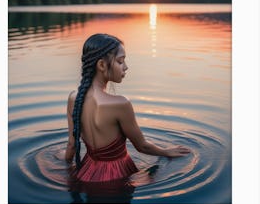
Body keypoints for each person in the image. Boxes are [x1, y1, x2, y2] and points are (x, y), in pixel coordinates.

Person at [65, 33, 190, 186]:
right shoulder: (120, 104)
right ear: (102, 65)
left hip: (85, 172)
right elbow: (141, 146)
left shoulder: (73, 98)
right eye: (120, 61)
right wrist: (166, 152)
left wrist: (67, 169)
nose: (126, 67)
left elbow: (72, 145)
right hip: (117, 175)